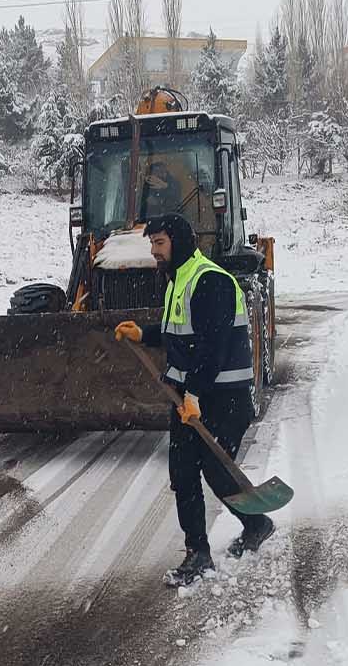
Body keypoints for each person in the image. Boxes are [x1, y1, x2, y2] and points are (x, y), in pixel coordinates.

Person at [114, 214, 275, 587]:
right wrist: (145, 333)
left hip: (223, 396)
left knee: (217, 471)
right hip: (191, 396)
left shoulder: (210, 280)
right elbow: (179, 335)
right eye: (151, 244)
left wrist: (195, 395)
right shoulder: (178, 281)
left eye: (159, 243)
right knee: (183, 474)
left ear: (179, 242)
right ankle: (198, 554)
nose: (154, 252)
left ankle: (256, 522)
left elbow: (211, 348)